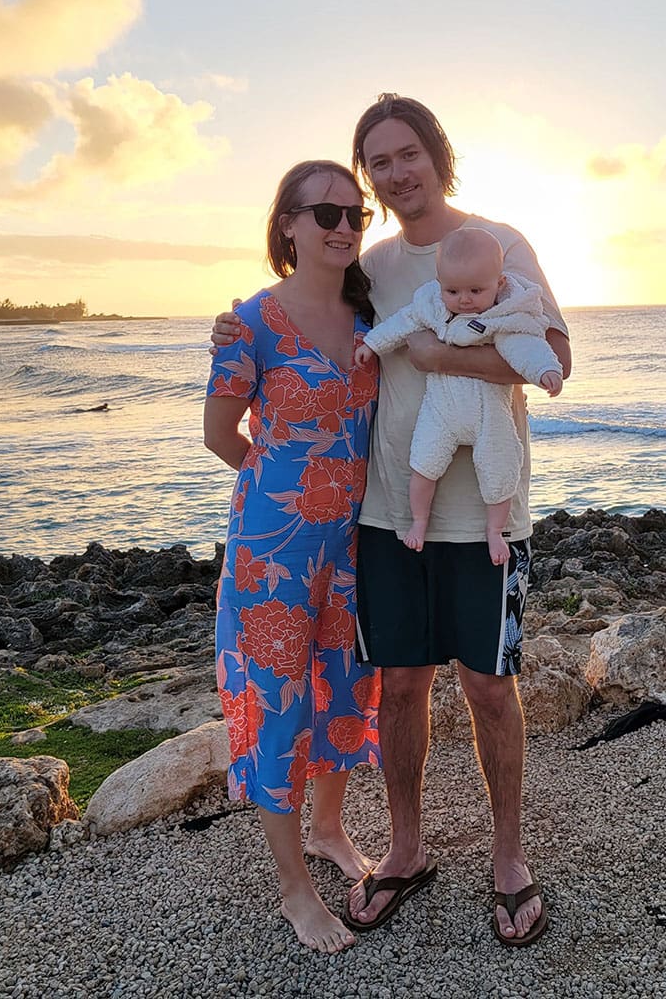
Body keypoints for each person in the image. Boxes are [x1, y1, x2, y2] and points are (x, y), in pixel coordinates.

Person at [211, 95, 572, 947]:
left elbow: (554, 356)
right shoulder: (367, 266)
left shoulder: (500, 244)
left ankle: (510, 859)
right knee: (399, 686)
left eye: (407, 153)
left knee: (489, 687)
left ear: (437, 154)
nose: (394, 172)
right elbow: (302, 322)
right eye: (378, 162)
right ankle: (405, 850)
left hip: (485, 515)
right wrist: (233, 328)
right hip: (383, 519)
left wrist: (446, 355)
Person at [203, 160, 382, 955]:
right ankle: (293, 890)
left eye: (355, 213)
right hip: (273, 549)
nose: (344, 227)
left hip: (358, 542)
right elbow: (218, 434)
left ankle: (330, 830)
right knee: (279, 706)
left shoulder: (373, 313)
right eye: (327, 214)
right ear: (287, 225)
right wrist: (284, 487)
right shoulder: (251, 323)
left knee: (346, 686)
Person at [354, 226, 563, 562]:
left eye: (475, 290)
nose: (464, 299)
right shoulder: (433, 307)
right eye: (453, 290)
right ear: (439, 285)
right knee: (423, 465)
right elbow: (400, 322)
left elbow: (527, 346)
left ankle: (495, 531)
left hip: (489, 413)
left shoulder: (503, 318)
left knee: (501, 468)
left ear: (500, 284)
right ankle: (418, 522)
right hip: (441, 409)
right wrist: (372, 344)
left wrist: (545, 371)